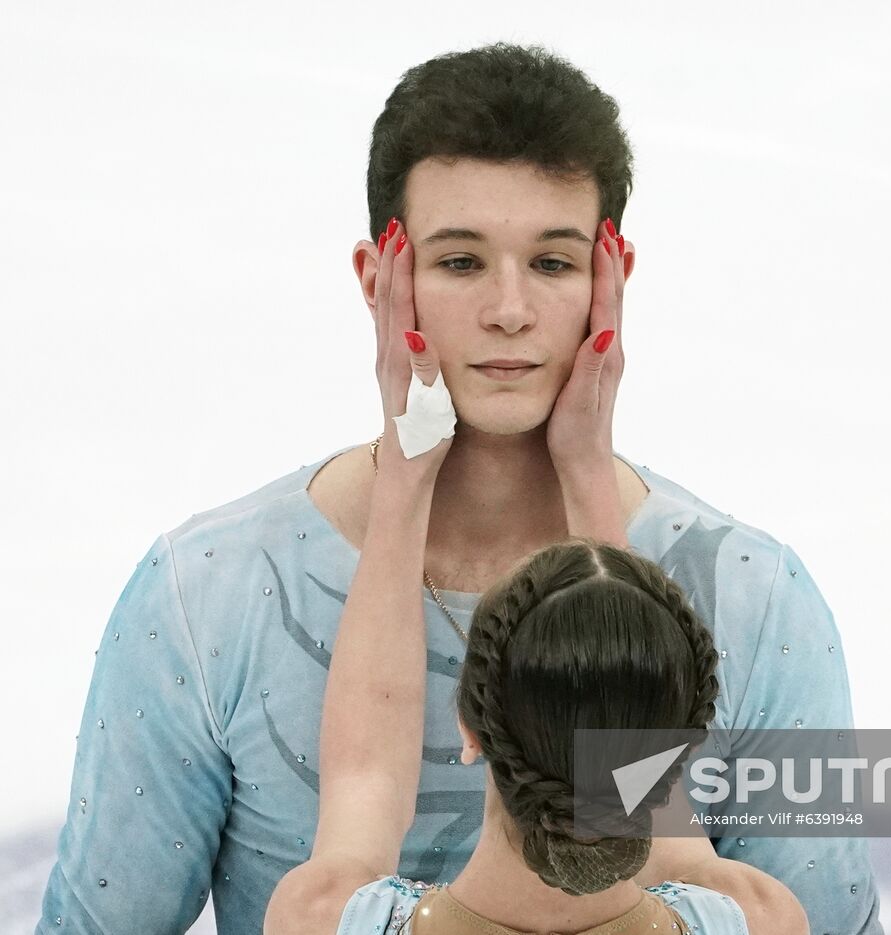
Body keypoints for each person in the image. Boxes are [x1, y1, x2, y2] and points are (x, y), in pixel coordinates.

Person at [35, 41, 882, 934]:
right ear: (380, 279)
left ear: (611, 277)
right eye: (461, 261)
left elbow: (352, 826)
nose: (509, 309)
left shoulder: (756, 600)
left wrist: (407, 480)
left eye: (553, 263)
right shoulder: (207, 597)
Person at [260, 271, 805, 931]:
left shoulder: (322, 919)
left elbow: (364, 779)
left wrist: (405, 476)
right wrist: (587, 463)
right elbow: (678, 849)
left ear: (468, 727)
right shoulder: (757, 918)